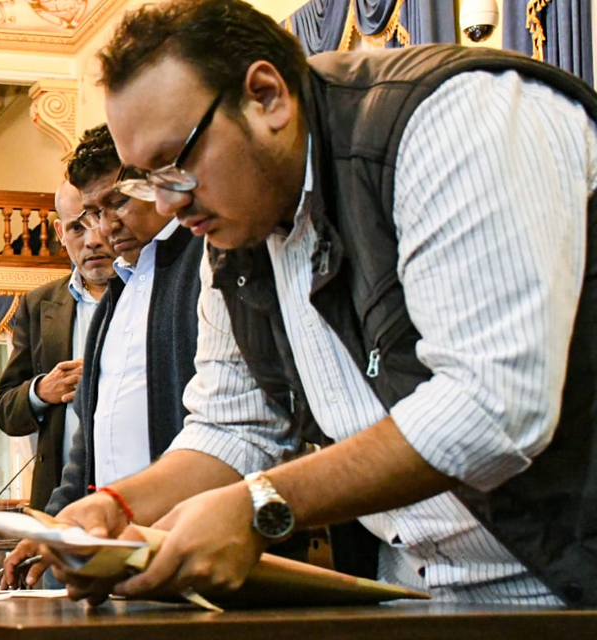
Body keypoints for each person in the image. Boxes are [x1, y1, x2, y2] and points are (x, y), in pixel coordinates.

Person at [49, 0, 597, 607]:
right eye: (147, 179)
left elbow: (491, 406)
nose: (169, 203)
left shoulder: (453, 118)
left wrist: (260, 503)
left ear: (266, 97)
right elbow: (235, 426)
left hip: (571, 581)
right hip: (415, 592)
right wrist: (114, 507)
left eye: (177, 162)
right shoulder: (233, 231)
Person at [1, 124, 203, 589]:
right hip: (111, 544)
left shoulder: (202, 263)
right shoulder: (116, 294)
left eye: (117, 203)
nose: (103, 229)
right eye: (91, 213)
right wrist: (55, 524)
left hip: (182, 540)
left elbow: (225, 426)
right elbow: (89, 444)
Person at [0, 179, 116, 510]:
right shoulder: (39, 305)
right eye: (78, 227)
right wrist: (41, 391)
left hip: (136, 495)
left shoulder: (147, 293)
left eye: (99, 220)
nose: (93, 240)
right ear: (60, 233)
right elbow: (5, 411)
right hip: (59, 501)